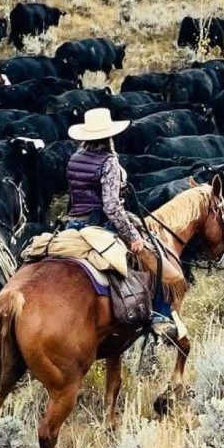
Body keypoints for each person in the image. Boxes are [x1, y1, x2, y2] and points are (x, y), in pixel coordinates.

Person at [65, 108, 179, 337]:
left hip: (73, 224)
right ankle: (159, 315)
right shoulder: (109, 161)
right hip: (99, 225)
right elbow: (111, 207)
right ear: (109, 135)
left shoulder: (75, 158)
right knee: (153, 257)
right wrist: (133, 236)